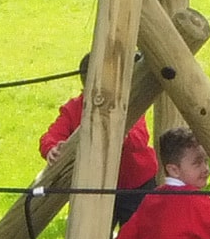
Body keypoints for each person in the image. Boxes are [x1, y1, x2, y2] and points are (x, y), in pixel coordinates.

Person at [38, 89, 162, 230]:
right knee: (94, 235)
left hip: (137, 184)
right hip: (96, 187)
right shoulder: (74, 108)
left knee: (138, 236)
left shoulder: (126, 104)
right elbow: (51, 136)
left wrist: (123, 136)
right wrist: (51, 148)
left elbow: (140, 138)